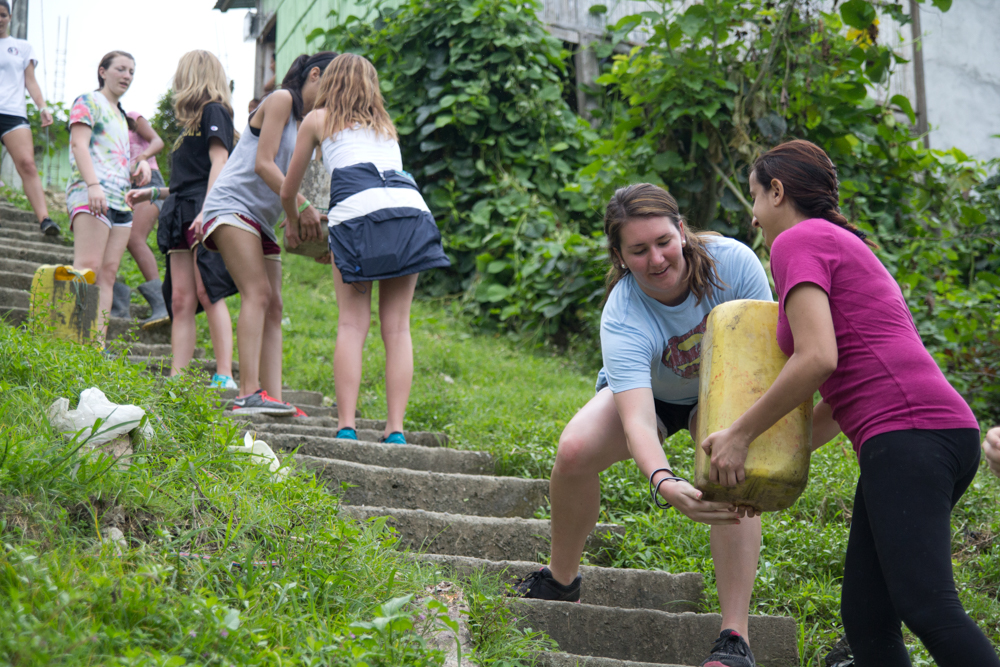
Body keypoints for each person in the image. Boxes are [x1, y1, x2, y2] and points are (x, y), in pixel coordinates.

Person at [701, 140, 998, 667]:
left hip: (910, 433)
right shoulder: (838, 243)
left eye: (755, 196)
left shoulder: (798, 240)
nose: (753, 215)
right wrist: (762, 468)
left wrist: (740, 435)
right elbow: (843, 397)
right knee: (867, 616)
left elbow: (817, 358)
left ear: (777, 191)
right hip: (922, 433)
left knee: (929, 607)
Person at [512, 183, 774, 667]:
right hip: (651, 395)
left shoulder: (735, 265)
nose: (656, 259)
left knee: (733, 471)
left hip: (724, 388)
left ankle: (735, 637)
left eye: (663, 241)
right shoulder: (624, 312)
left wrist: (735, 436)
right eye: (638, 250)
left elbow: (763, 360)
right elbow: (636, 421)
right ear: (619, 256)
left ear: (682, 230)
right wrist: (665, 482)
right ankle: (561, 580)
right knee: (573, 451)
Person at [279, 53, 450, 442]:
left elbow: (289, 191)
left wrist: (293, 220)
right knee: (398, 327)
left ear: (330, 82)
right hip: (410, 216)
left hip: (356, 219)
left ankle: (346, 426)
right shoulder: (386, 128)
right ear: (372, 87)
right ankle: (395, 429)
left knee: (352, 324)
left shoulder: (318, 120)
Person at [195, 51, 334, 415]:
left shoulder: (313, 125)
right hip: (232, 205)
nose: (334, 98)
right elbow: (263, 164)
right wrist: (300, 206)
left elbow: (306, 191)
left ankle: (273, 397)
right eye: (332, 86)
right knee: (257, 292)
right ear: (314, 75)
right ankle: (247, 393)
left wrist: (314, 230)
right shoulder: (282, 99)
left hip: (263, 220)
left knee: (274, 305)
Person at [128, 50, 237, 388]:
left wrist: (209, 209)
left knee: (208, 290)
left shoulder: (214, 111)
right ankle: (178, 378)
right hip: (179, 211)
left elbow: (220, 162)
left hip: (202, 210)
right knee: (179, 299)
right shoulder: (189, 126)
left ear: (192, 75)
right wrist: (153, 193)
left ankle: (224, 375)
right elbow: (187, 181)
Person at [67, 51, 149, 344]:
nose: (127, 76)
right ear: (102, 71)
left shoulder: (122, 115)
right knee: (88, 266)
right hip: (91, 193)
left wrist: (139, 163)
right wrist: (93, 185)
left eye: (131, 72)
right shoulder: (88, 101)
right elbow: (79, 145)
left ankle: (96, 346)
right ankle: (75, 339)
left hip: (120, 199)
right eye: (121, 69)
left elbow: (114, 156)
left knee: (109, 274)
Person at [0, 0, 58, 236]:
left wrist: (42, 106)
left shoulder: (21, 47)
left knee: (27, 163)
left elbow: (30, 81)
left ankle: (45, 219)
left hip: (13, 111)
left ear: (9, 17)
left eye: (3, 15)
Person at [120, 110, 169, 329]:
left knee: (134, 238)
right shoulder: (104, 126)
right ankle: (116, 302)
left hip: (149, 182)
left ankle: (162, 303)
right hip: (123, 187)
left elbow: (157, 141)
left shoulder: (131, 117)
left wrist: (142, 158)